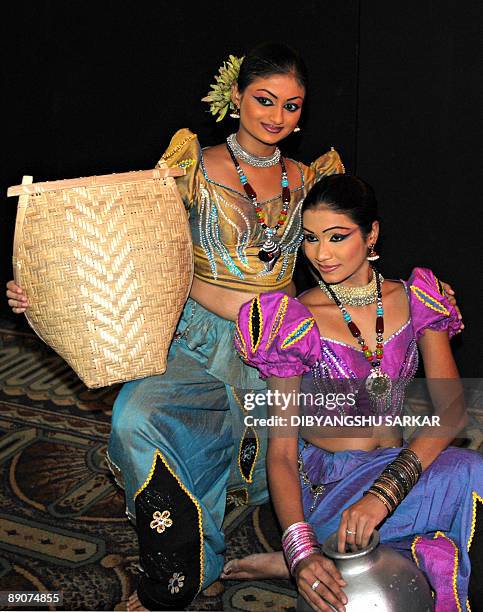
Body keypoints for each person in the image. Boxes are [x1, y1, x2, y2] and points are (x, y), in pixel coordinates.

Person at [5, 46, 461, 611]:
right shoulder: (193, 163)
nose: (278, 117)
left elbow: (352, 261)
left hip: (280, 342)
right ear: (236, 98)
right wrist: (49, 288)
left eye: (292, 106)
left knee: (329, 449)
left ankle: (303, 546)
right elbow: (127, 238)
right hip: (196, 338)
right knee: (138, 419)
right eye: (264, 100)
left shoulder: (313, 177)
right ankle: (185, 567)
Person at [231, 174, 481, 612]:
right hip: (331, 488)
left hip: (396, 476)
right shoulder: (293, 321)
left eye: (337, 236)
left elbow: (452, 411)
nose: (321, 254)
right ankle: (318, 548)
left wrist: (382, 495)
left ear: (372, 234)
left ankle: (338, 550)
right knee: (469, 474)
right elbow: (282, 455)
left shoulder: (416, 298)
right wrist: (301, 550)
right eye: (310, 239)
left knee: (467, 473)